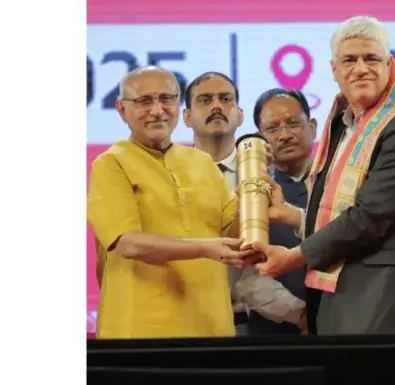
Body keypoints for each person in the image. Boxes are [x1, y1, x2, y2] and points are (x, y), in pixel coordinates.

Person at [249, 16, 395, 339]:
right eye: (350, 60)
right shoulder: (341, 124)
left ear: (390, 64)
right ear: (334, 70)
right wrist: (295, 217)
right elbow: (336, 213)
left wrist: (295, 257)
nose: (361, 68)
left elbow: (372, 215)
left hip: (384, 301)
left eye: (371, 59)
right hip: (335, 298)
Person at [87, 66, 253, 339]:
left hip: (211, 326)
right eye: (143, 101)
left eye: (166, 99)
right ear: (121, 109)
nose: (157, 110)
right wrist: (204, 247)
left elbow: (231, 238)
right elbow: (128, 243)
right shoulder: (111, 163)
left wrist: (253, 197)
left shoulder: (201, 162)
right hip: (139, 330)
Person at [183, 72, 299, 336]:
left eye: (226, 99)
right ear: (187, 116)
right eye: (204, 100)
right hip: (188, 321)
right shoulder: (169, 176)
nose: (216, 106)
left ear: (240, 115)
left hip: (268, 327)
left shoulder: (273, 178)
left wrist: (300, 314)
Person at [233, 88, 318, 335]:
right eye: (272, 129)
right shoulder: (249, 193)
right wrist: (301, 315)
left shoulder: (341, 182)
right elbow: (244, 276)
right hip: (274, 333)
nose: (285, 135)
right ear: (261, 138)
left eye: (293, 124)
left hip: (344, 324)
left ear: (312, 126)